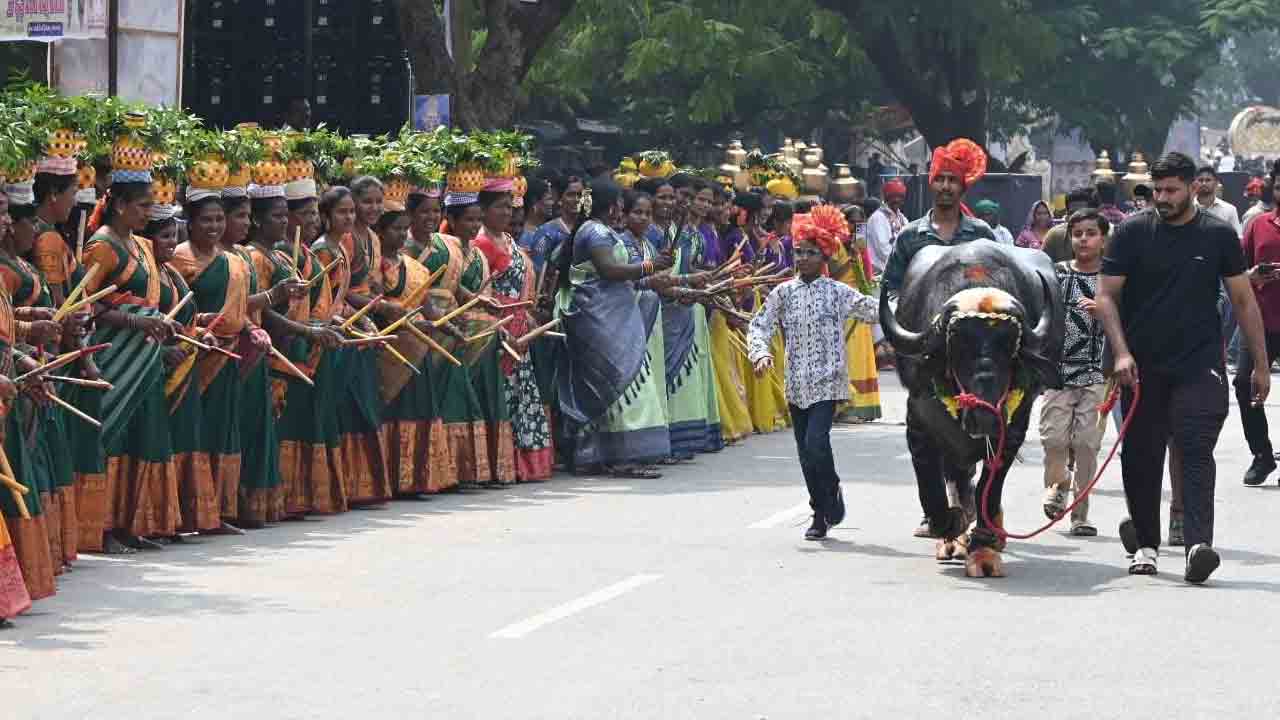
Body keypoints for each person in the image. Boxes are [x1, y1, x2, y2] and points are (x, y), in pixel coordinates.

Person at [1096, 151, 1270, 583]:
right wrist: (1120, 352)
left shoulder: (1218, 235)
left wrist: (1260, 366)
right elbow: (1105, 297)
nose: (1162, 197)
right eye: (1157, 190)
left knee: (1195, 449)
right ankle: (1147, 546)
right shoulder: (1132, 233)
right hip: (1141, 365)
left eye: (1171, 189)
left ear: (1194, 187)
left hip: (1199, 363)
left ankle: (1197, 545)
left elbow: (1244, 301)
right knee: (1142, 454)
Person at [882, 138, 994, 539]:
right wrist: (898, 328)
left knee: (976, 422)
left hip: (971, 349)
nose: (946, 186)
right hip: (926, 347)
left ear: (964, 187)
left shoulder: (981, 234)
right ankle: (937, 510)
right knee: (923, 429)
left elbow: (997, 289)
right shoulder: (912, 236)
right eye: (940, 178)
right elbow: (892, 288)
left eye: (953, 180)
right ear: (932, 184)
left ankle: (971, 499)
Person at [747, 205, 878, 541]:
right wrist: (760, 354)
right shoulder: (783, 293)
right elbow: (760, 325)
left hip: (828, 381)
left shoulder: (836, 292)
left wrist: (904, 305)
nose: (802, 258)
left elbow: (871, 309)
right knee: (805, 453)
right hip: (796, 384)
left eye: (809, 253)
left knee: (816, 442)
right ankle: (819, 511)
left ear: (824, 256)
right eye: (798, 252)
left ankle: (830, 490)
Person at [558, 184, 675, 476]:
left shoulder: (599, 231)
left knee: (622, 382)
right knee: (615, 382)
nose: (621, 212)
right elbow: (609, 270)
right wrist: (650, 266)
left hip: (614, 316)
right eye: (621, 206)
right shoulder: (594, 232)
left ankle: (608, 455)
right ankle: (622, 457)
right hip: (600, 318)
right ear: (610, 206)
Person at [474, 178, 554, 482]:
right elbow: (484, 289)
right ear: (483, 209)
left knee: (522, 395)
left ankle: (524, 464)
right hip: (497, 327)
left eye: (510, 206)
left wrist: (529, 316)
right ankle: (500, 463)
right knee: (501, 394)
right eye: (500, 207)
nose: (507, 212)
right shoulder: (481, 243)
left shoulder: (509, 240)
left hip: (521, 327)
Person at [1040, 209, 1110, 537]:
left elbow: (1131, 320)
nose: (1084, 238)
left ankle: (1080, 514)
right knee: (1053, 437)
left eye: (1091, 232)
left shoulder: (1113, 278)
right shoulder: (1055, 274)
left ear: (1103, 238)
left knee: (1086, 443)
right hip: (1058, 371)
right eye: (1078, 232)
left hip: (1097, 372)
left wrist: (1105, 310)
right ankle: (1057, 486)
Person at [1236, 162, 1280, 487]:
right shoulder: (1258, 224)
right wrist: (1253, 276)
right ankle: (1262, 453)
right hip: (1260, 319)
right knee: (1243, 385)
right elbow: (1239, 271)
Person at [831, 204, 881, 423]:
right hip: (840, 305)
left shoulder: (859, 246)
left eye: (860, 224)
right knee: (846, 356)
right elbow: (833, 274)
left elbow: (865, 278)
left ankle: (862, 406)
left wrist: (860, 254)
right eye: (852, 223)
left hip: (857, 305)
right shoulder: (833, 245)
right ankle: (843, 406)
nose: (855, 227)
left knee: (861, 357)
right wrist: (851, 256)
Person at [524, 174, 582, 274]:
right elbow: (537, 270)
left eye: (580, 195)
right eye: (570, 195)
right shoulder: (547, 232)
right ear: (559, 200)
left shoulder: (588, 227)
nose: (576, 199)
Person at [1041, 187, 1098, 261]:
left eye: (1082, 213)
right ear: (1067, 215)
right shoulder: (1054, 236)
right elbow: (1043, 266)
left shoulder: (1102, 237)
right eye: (1073, 213)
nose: (1078, 218)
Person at [866, 179, 908, 276]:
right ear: (886, 197)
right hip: (878, 273)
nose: (896, 199)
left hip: (896, 269)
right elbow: (883, 251)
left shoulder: (902, 219)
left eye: (900, 196)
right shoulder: (878, 218)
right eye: (892, 196)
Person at [1194, 165, 1242, 235]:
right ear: (1194, 183)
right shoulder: (1187, 208)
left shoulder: (1229, 210)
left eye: (1208, 180)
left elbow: (1237, 236)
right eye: (1200, 180)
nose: (1204, 183)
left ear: (1216, 183)